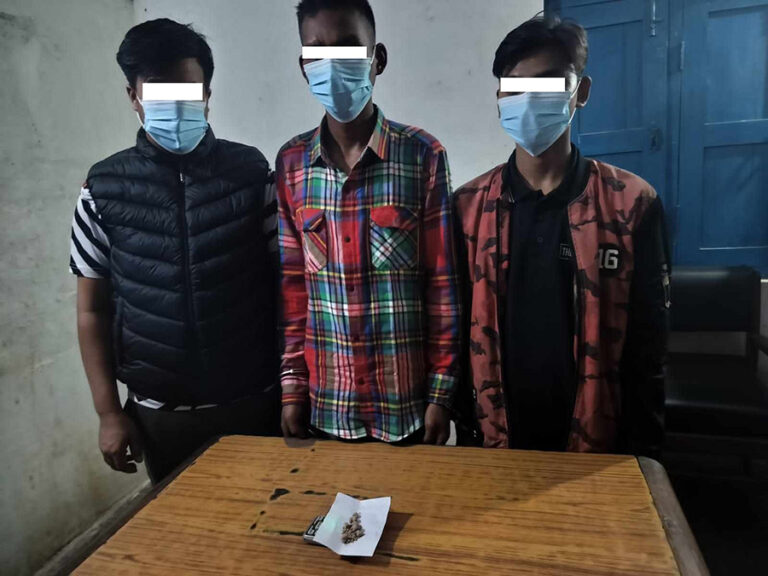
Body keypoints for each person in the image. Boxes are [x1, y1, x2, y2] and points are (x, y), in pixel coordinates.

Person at [70, 19, 280, 483]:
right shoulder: (102, 189)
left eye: (186, 91)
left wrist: (293, 389)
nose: (174, 105)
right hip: (160, 417)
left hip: (255, 401)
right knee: (181, 526)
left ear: (207, 94)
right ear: (134, 97)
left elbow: (287, 287)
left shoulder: (252, 173)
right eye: (159, 91)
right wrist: (108, 412)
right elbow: (91, 311)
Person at [453, 16, 670, 456]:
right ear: (499, 99)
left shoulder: (631, 204)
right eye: (515, 87)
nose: (530, 99)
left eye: (548, 84)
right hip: (496, 443)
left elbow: (648, 348)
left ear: (580, 91)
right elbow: (454, 328)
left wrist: (644, 455)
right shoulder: (468, 208)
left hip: (598, 446)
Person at [277, 0, 460, 445]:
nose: (333, 65)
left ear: (377, 58)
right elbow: (295, 292)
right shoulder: (292, 164)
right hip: (328, 407)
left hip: (407, 409)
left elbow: (442, 286)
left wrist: (441, 393)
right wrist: (292, 387)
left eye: (347, 48)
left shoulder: (422, 155)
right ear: (304, 67)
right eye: (318, 52)